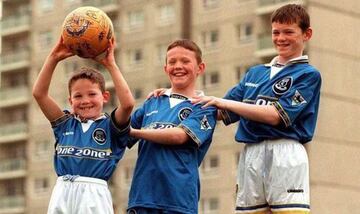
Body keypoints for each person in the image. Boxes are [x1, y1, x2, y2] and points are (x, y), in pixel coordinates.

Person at [191, 4, 321, 214]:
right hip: (251, 153)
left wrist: (223, 102)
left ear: (307, 34)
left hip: (285, 152)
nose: (281, 38)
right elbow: (218, 111)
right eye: (276, 32)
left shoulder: (308, 75)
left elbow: (275, 116)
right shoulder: (255, 73)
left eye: (289, 32)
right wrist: (175, 95)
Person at [32, 37, 135, 214]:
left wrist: (111, 65)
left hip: (94, 194)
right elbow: (39, 94)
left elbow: (127, 104)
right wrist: (53, 57)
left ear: (104, 97)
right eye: (78, 96)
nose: (85, 101)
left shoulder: (111, 126)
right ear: (70, 100)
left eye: (92, 94)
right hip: (62, 190)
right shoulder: (65, 123)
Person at [126, 39, 218, 214]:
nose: (178, 66)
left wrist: (135, 132)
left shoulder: (205, 107)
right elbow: (119, 132)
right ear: (165, 68)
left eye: (185, 61)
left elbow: (179, 136)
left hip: (178, 200)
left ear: (200, 68)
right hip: (142, 197)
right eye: (172, 62)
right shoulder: (152, 102)